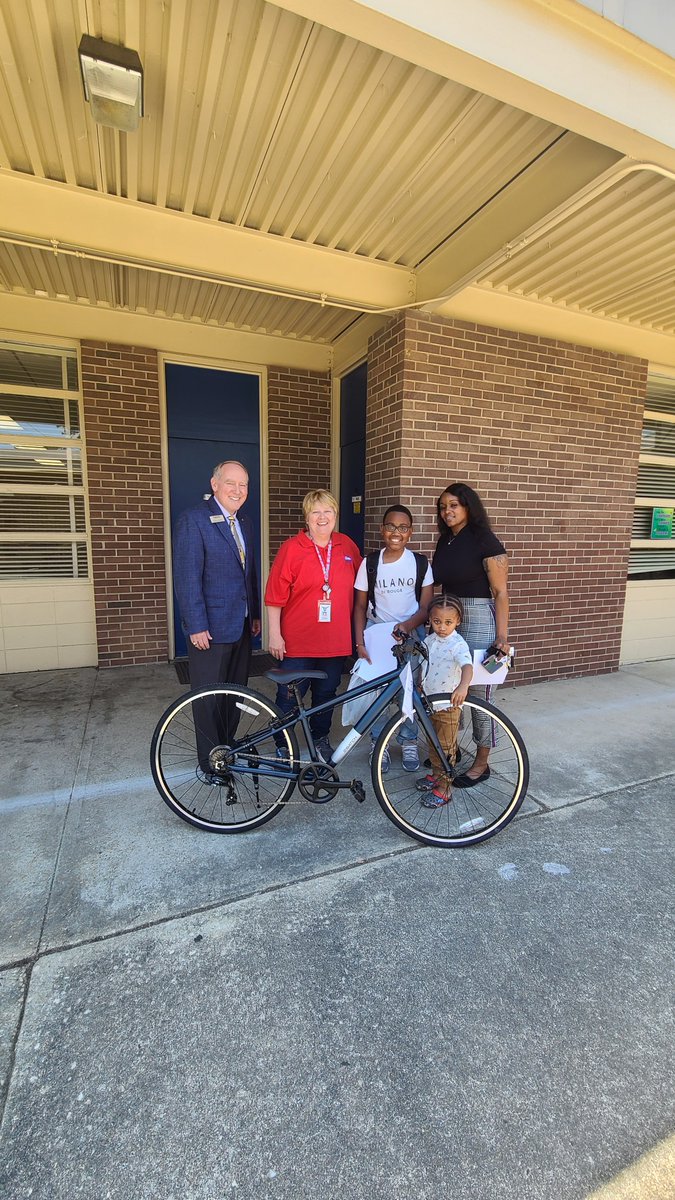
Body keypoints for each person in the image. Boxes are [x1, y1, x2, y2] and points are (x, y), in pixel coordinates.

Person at [173, 460, 261, 777]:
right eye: (231, 483)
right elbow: (187, 579)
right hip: (209, 630)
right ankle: (210, 764)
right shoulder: (193, 520)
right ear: (215, 484)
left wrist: (254, 613)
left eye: (244, 484)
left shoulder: (244, 523)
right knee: (208, 700)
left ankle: (227, 748)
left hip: (240, 625)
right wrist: (195, 625)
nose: (238, 490)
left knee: (234, 694)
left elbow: (247, 572)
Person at [265, 490, 361, 763]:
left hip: (335, 641)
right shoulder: (292, 549)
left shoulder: (347, 547)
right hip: (297, 640)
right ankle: (282, 742)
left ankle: (320, 738)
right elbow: (274, 596)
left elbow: (361, 590)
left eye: (327, 511)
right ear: (306, 518)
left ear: (336, 515)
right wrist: (275, 634)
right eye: (315, 512)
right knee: (289, 695)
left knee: (326, 694)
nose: (322, 517)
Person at [431, 482, 509, 787]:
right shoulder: (445, 541)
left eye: (454, 505)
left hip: (478, 619)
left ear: (468, 506)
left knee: (478, 692)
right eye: (443, 506)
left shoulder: (484, 540)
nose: (447, 511)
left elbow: (501, 592)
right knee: (448, 684)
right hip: (449, 617)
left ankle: (482, 762)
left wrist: (501, 637)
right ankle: (450, 749)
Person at [353, 504, 433, 773]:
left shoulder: (420, 563)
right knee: (378, 693)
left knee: (408, 691)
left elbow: (425, 608)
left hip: (410, 637)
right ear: (382, 529)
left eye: (402, 527)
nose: (395, 532)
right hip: (378, 635)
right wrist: (360, 642)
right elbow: (360, 606)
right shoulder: (370, 563)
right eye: (390, 526)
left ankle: (409, 741)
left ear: (410, 532)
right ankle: (379, 742)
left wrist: (407, 625)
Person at [417, 595, 473, 807]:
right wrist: (420, 682)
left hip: (449, 705)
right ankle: (436, 776)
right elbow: (423, 663)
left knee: (446, 747)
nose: (442, 627)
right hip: (430, 703)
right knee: (433, 743)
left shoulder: (457, 644)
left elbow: (467, 666)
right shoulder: (428, 641)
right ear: (430, 620)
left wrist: (463, 686)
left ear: (458, 621)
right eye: (437, 621)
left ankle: (444, 788)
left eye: (448, 622)